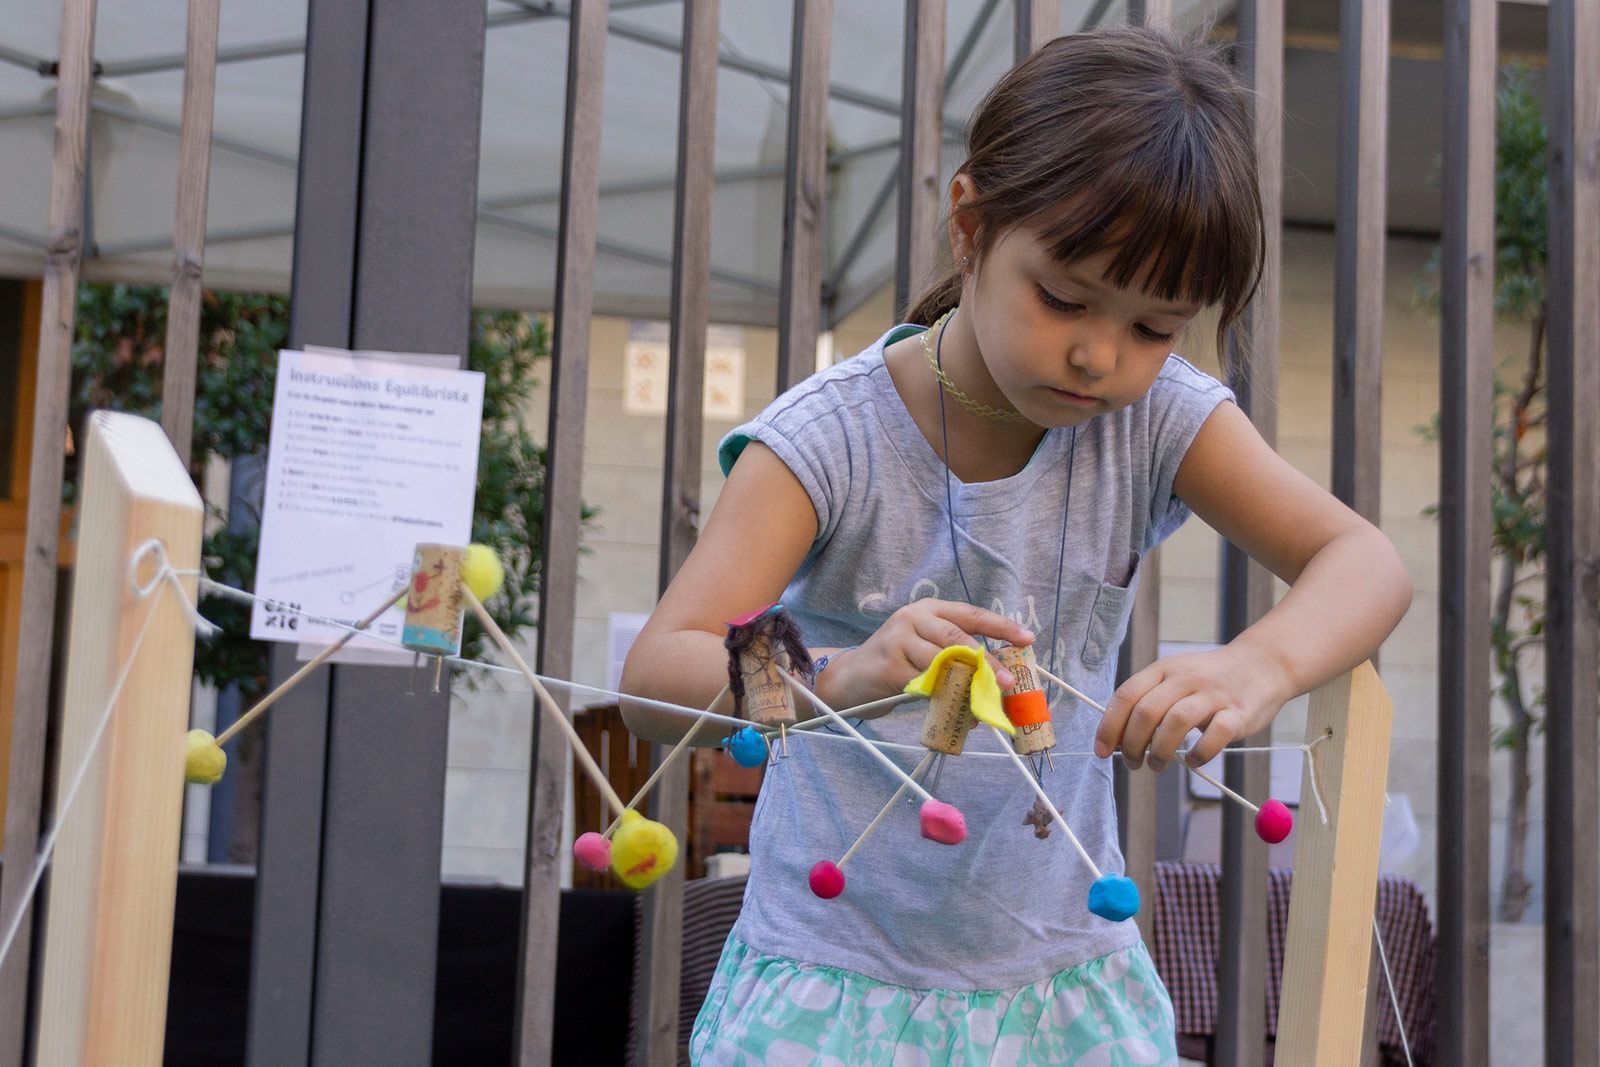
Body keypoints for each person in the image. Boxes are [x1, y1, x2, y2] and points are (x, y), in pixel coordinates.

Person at [621, 25, 1411, 1065]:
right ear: (970, 226)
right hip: (835, 981)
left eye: (1155, 326)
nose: (1099, 355)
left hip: (1061, 978)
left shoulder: (1156, 420)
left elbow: (1365, 561)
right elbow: (655, 673)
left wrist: (1256, 664)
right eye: (1064, 298)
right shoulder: (830, 439)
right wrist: (840, 675)